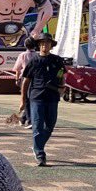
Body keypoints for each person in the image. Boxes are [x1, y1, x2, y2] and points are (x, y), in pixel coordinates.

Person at [17, 33, 66, 166]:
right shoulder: (34, 61)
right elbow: (26, 81)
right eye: (42, 43)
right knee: (37, 125)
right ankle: (40, 153)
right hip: (36, 97)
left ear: (51, 45)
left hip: (53, 97)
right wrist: (23, 100)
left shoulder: (57, 60)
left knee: (50, 125)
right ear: (39, 45)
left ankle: (37, 145)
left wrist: (62, 86)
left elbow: (62, 74)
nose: (45, 46)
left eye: (47, 43)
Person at [11, 37, 39, 129]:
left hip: (25, 78)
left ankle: (29, 120)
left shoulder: (22, 55)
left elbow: (18, 69)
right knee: (30, 98)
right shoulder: (37, 55)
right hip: (35, 78)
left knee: (26, 99)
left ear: (25, 45)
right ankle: (23, 119)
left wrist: (16, 79)